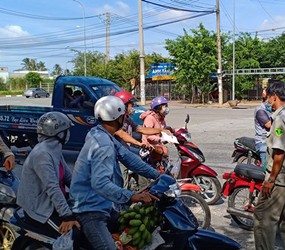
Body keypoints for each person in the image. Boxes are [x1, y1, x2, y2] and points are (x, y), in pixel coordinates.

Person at [69, 96, 160, 249]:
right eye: (124, 115)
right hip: (90, 210)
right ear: (117, 117)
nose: (126, 118)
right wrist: (131, 196)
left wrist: (157, 175)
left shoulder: (100, 133)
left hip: (103, 204)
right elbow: (100, 183)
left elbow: (128, 157)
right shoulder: (103, 145)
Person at [253, 82, 285, 250]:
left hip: (280, 179)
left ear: (275, 97)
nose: (268, 102)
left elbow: (279, 153)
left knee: (263, 217)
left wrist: (271, 179)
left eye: (269, 98)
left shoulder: (280, 119)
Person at [16, 112, 80, 239]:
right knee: (73, 235)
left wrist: (86, 193)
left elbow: (69, 178)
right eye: (67, 130)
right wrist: (67, 216)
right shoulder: (42, 154)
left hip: (52, 203)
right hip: (41, 209)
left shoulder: (54, 149)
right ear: (60, 133)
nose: (68, 134)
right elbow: (52, 187)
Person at [114, 91, 171, 188]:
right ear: (122, 106)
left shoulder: (127, 119)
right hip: (117, 154)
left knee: (141, 166)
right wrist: (139, 144)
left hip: (126, 150)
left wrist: (161, 130)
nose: (133, 107)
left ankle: (143, 190)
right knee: (123, 184)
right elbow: (122, 134)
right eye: (131, 105)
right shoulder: (114, 120)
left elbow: (140, 129)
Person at [254, 88, 272, 171]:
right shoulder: (260, 110)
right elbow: (268, 125)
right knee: (266, 170)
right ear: (267, 98)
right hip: (262, 142)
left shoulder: (270, 110)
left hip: (270, 140)